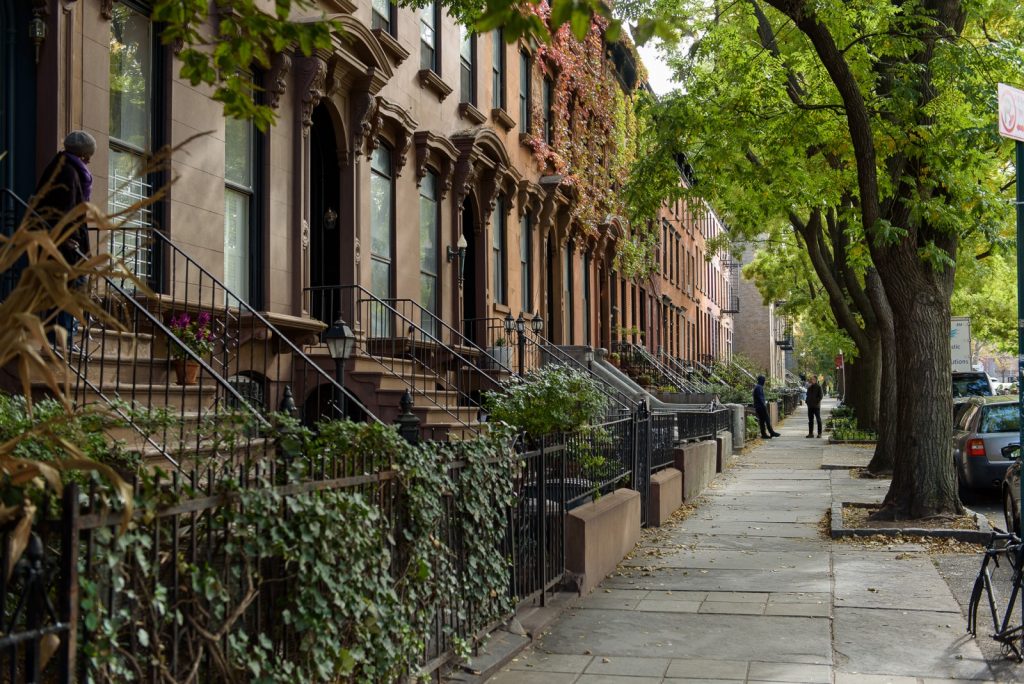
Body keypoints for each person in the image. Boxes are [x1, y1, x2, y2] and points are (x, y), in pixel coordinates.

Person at [33, 130, 95, 353]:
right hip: (64, 242)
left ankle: (62, 338)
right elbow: (66, 210)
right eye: (88, 155)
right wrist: (70, 239)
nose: (89, 160)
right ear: (82, 153)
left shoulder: (63, 166)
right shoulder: (68, 172)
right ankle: (61, 340)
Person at [753, 374, 781, 439]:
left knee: (762, 421)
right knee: (767, 419)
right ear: (760, 380)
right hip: (761, 407)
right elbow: (760, 398)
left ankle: (764, 434)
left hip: (759, 407)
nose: (764, 382)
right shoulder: (759, 387)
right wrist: (764, 405)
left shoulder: (758, 387)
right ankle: (771, 432)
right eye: (763, 380)